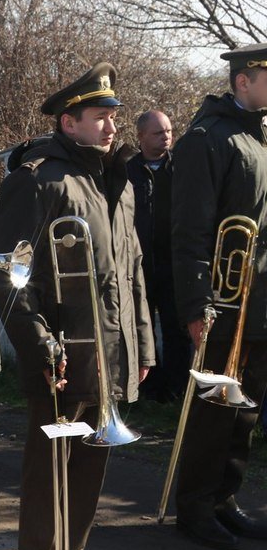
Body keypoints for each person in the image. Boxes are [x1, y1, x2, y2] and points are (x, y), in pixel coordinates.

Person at [0, 63, 153, 550]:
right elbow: (10, 275)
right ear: (68, 122)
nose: (111, 126)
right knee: (51, 466)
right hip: (62, 353)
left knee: (91, 461)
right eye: (99, 117)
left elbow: (132, 270)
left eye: (113, 116)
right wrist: (40, 346)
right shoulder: (39, 179)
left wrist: (142, 345)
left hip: (110, 348)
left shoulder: (117, 180)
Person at [170, 43, 267, 550]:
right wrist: (196, 305)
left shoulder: (259, 137)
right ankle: (194, 508)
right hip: (223, 301)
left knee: (244, 410)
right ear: (243, 80)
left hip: (259, 299)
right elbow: (190, 229)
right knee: (213, 409)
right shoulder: (206, 138)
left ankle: (224, 499)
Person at [126, 110, 188, 403]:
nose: (166, 137)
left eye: (169, 131)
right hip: (139, 263)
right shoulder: (127, 171)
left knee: (177, 327)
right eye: (158, 133)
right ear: (141, 136)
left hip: (174, 261)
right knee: (143, 326)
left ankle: (177, 388)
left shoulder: (182, 168)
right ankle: (149, 387)